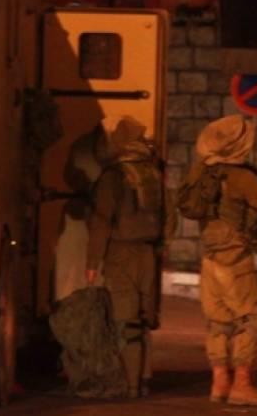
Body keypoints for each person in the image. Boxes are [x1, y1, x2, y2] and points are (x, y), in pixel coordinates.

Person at [188, 114, 257, 407]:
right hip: (235, 257)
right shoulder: (241, 177)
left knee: (218, 321)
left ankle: (220, 382)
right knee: (251, 320)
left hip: (210, 256)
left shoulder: (204, 174)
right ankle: (242, 384)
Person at [85, 116, 165, 398]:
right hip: (148, 253)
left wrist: (92, 262)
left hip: (121, 254)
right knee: (143, 319)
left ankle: (129, 386)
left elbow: (101, 220)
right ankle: (143, 379)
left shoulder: (114, 176)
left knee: (125, 319)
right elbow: (167, 218)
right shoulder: (152, 173)